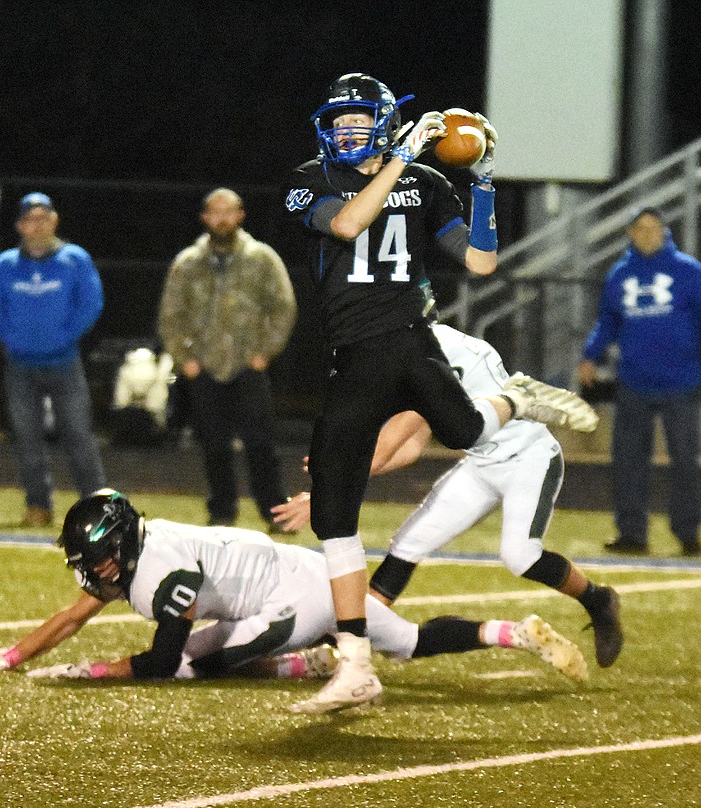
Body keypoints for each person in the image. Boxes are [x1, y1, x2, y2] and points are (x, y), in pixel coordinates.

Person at [282, 72, 597, 712]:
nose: (345, 131)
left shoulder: (427, 183)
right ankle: (357, 667)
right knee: (333, 514)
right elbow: (346, 224)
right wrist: (400, 157)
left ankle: (519, 398)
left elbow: (480, 263)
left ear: (383, 119)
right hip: (351, 352)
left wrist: (481, 179)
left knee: (462, 431)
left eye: (357, 120)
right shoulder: (306, 180)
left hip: (408, 335)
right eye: (337, 121)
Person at [0, 489, 588, 687]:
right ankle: (516, 632)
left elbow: (160, 660)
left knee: (204, 664)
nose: (96, 571)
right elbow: (73, 614)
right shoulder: (142, 552)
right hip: (299, 573)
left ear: (120, 546)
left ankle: (304, 659)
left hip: (294, 597)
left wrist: (84, 674)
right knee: (409, 642)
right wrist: (12, 656)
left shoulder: (162, 571)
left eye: (99, 558)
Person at [272, 323, 622, 670]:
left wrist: (323, 493)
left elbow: (386, 445)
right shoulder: (425, 344)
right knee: (408, 543)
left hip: (529, 457)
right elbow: (410, 447)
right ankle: (348, 642)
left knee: (521, 557)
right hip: (482, 462)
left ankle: (598, 599)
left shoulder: (418, 353)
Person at [158, 188, 297, 531]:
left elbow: (284, 306)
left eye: (228, 211)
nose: (221, 218)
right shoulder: (188, 262)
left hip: (249, 366)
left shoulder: (261, 258)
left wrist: (265, 353)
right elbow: (170, 315)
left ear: (240, 215)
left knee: (261, 445)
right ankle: (221, 512)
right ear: (205, 217)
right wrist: (184, 358)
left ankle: (275, 513)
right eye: (214, 212)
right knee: (213, 445)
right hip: (204, 368)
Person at [577, 207, 701, 557]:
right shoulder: (620, 274)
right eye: (641, 229)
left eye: (653, 229)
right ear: (631, 233)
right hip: (634, 380)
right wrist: (591, 355)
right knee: (629, 461)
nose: (647, 235)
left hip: (682, 380)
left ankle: (689, 534)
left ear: (665, 231)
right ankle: (632, 534)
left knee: (686, 461)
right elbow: (608, 321)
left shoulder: (689, 272)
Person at [0, 192, 107, 526]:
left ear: (54, 221)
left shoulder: (74, 259)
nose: (37, 226)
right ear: (20, 225)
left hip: (65, 361)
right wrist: (11, 339)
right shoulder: (6, 264)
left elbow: (91, 303)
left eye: (43, 218)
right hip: (20, 364)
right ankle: (38, 505)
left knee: (79, 434)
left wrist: (65, 336)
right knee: (26, 437)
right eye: (30, 219)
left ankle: (96, 509)